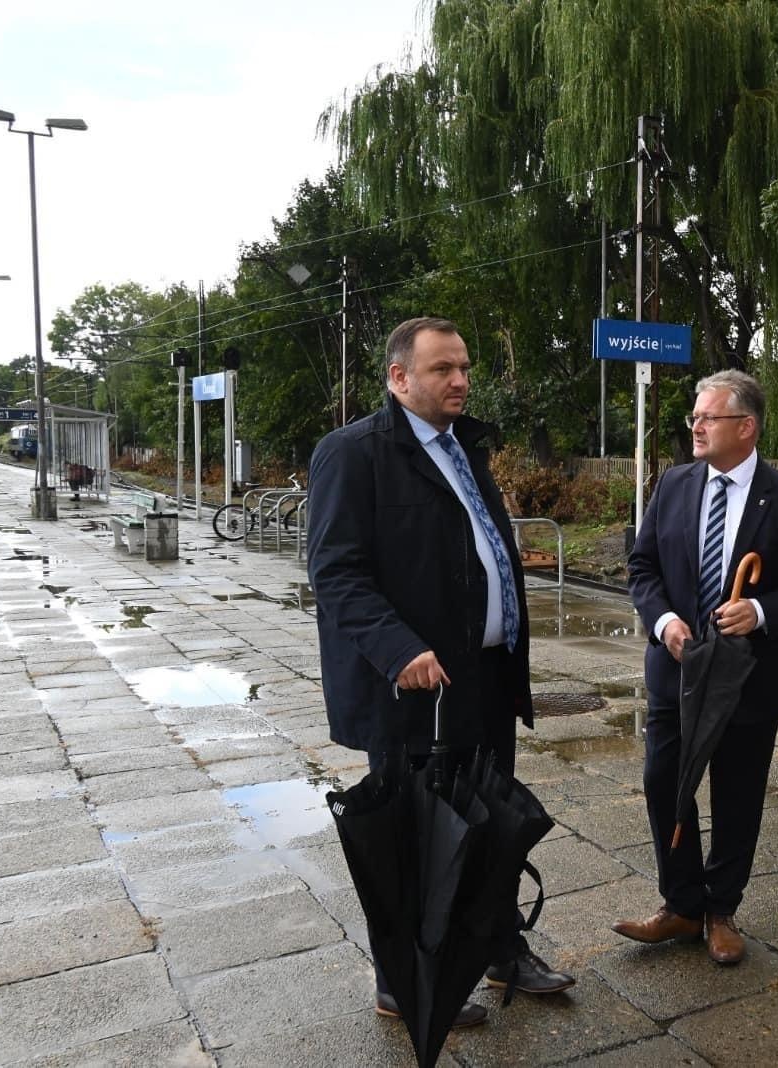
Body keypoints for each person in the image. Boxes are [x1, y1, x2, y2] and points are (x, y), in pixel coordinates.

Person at [307, 317, 574, 1026]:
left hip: (483, 679)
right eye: (441, 370)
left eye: (463, 367)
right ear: (399, 378)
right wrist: (398, 649)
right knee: (416, 836)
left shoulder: (465, 447)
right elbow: (336, 573)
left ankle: (498, 949)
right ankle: (407, 980)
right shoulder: (354, 453)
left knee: (490, 824)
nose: (459, 380)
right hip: (411, 690)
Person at [618, 370, 778, 965]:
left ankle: (721, 910)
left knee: (738, 795)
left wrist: (763, 610)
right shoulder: (675, 484)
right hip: (677, 671)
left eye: (707, 417)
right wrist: (663, 622)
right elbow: (642, 568)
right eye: (694, 415)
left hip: (750, 678)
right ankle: (681, 904)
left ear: (746, 427)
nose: (695, 424)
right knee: (664, 783)